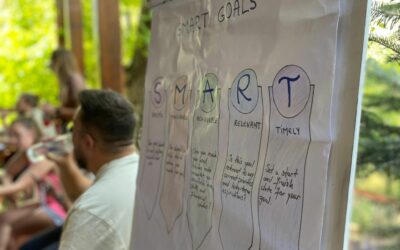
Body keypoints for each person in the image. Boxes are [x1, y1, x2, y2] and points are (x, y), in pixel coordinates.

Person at [56, 89, 139, 250]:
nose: (70, 138)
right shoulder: (150, 175)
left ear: (88, 142)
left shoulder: (89, 212)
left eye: (73, 130)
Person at [0, 118, 67, 250]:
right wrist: (9, 191)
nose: (12, 140)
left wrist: (8, 191)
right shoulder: (26, 153)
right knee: (6, 222)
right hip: (42, 203)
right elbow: (7, 173)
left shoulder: (46, 155)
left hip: (59, 208)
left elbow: (21, 185)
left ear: (31, 133)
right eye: (11, 135)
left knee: (6, 224)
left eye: (17, 135)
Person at [42, 48, 86, 132]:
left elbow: (81, 111)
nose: (52, 67)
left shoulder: (75, 80)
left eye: (53, 63)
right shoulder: (66, 82)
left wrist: (56, 110)